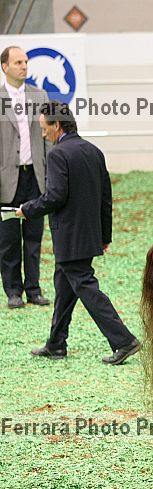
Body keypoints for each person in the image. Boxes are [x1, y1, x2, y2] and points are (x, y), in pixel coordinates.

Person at [15, 102, 140, 365]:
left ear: (57, 125)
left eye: (44, 128)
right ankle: (56, 344)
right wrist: (105, 235)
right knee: (64, 288)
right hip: (88, 235)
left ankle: (123, 340)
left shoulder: (58, 155)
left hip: (69, 237)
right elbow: (106, 197)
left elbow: (55, 196)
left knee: (85, 287)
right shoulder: (94, 152)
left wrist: (27, 209)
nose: (43, 134)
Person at [1, 46, 49, 309]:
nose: (24, 66)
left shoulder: (39, 95)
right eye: (18, 62)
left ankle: (34, 289)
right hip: (6, 179)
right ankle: (13, 291)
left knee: (33, 237)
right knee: (8, 239)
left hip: (35, 177)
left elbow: (48, 137)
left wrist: (51, 171)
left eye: (26, 62)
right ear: (5, 67)